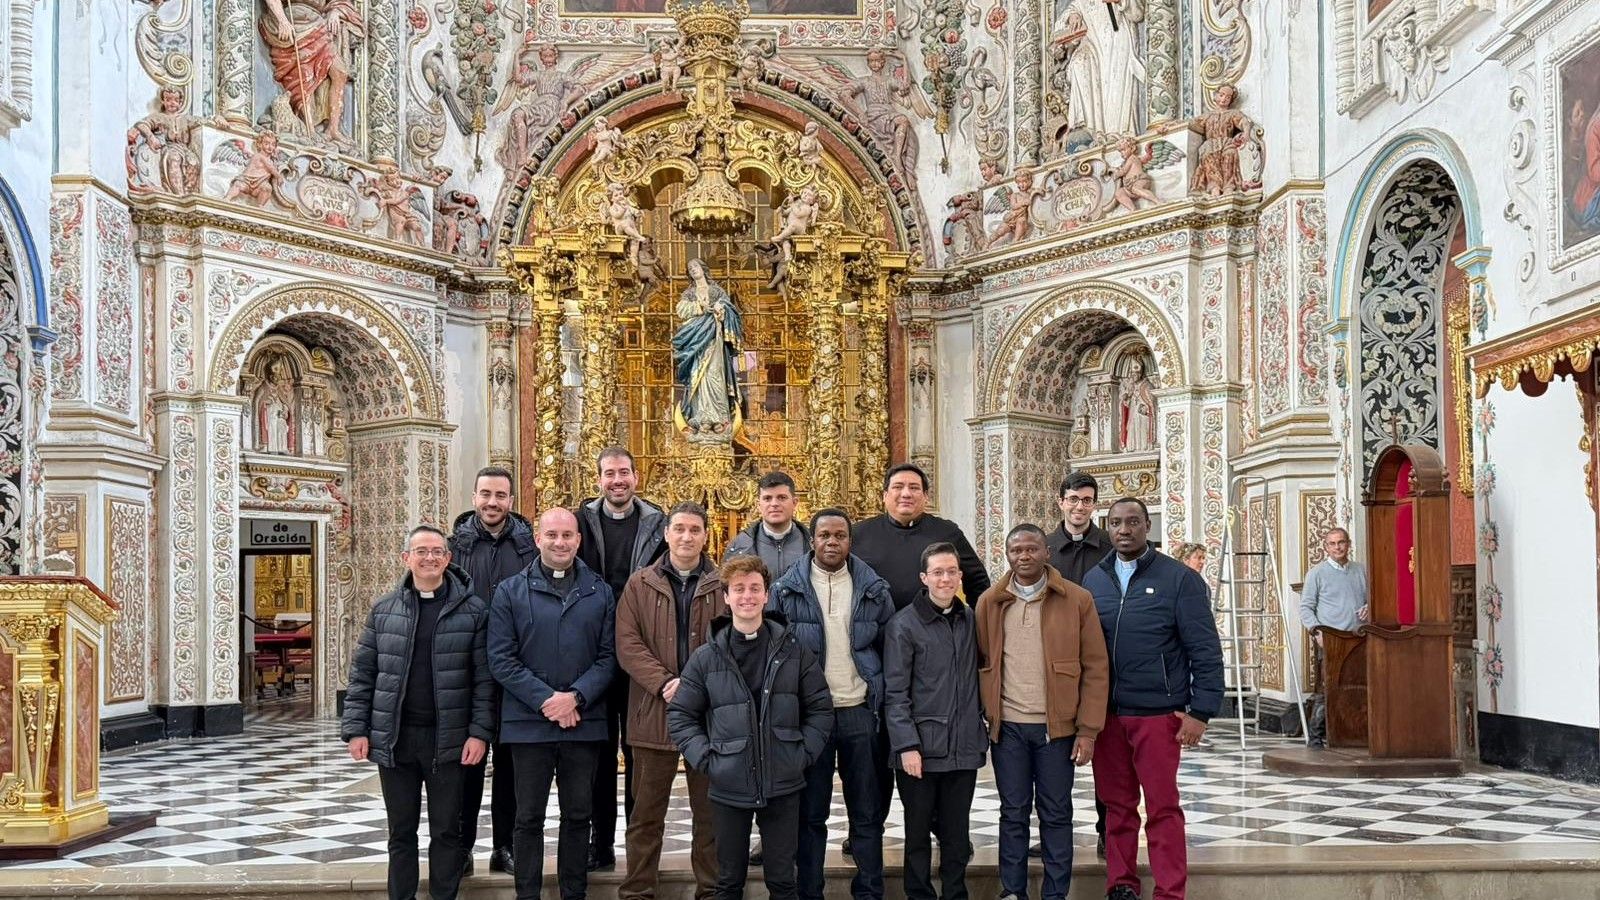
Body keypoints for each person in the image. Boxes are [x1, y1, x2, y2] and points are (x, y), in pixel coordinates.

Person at [668, 555, 835, 900]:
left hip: (783, 782)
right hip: (729, 784)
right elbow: (682, 716)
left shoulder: (793, 651)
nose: (747, 596)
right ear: (726, 597)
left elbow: (820, 708)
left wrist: (801, 754)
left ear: (766, 595)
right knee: (728, 881)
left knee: (782, 880)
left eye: (754, 588)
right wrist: (709, 759)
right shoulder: (706, 657)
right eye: (738, 589)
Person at [1082, 499, 1224, 900]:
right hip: (1108, 716)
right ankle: (1121, 885)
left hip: (1159, 714)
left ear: (1147, 525)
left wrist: (1202, 711)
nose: (1123, 530)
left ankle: (1169, 890)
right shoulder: (1094, 580)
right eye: (1114, 523)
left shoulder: (1180, 579)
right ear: (1106, 528)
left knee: (1162, 807)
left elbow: (1205, 650)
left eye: (1132, 522)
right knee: (1116, 807)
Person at [342, 525, 493, 900]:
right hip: (396, 739)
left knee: (446, 831)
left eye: (437, 551)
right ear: (406, 558)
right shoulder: (383, 610)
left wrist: (479, 733)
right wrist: (356, 729)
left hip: (450, 739)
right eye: (421, 551)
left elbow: (484, 680)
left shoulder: (472, 610)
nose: (429, 558)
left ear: (448, 558)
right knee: (401, 831)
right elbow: (363, 674)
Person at [488, 508, 618, 900]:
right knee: (527, 817)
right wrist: (548, 700)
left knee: (579, 815)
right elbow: (501, 658)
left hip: (584, 721)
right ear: (538, 539)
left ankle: (573, 893)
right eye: (552, 535)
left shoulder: (600, 591)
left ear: (578, 540)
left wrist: (576, 697)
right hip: (528, 726)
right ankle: (527, 894)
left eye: (567, 535)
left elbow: (609, 657)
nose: (560, 542)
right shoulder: (510, 591)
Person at [976, 525, 1109, 900]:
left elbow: (1096, 666)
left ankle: (1055, 893)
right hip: (1010, 730)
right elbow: (984, 660)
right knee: (1012, 813)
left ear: (1047, 552)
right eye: (1016, 550)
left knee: (1056, 814)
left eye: (1032, 549)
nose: (1024, 556)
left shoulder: (1077, 600)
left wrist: (1088, 730)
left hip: (1058, 731)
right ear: (1007, 555)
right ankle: (1012, 891)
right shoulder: (990, 601)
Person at [770, 509, 894, 900]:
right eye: (824, 535)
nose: (831, 542)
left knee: (867, 813)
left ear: (850, 541)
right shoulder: (786, 589)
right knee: (811, 814)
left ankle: (870, 891)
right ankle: (810, 892)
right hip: (812, 717)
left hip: (859, 708)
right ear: (812, 540)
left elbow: (890, 646)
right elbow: (774, 651)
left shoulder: (874, 588)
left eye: (840, 535)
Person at [616, 502, 727, 900]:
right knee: (646, 813)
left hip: (709, 716)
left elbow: (729, 644)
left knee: (710, 813)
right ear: (666, 533)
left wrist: (696, 688)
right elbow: (627, 644)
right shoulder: (640, 584)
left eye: (694, 530)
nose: (686, 536)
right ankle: (638, 890)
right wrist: (665, 682)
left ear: (705, 536)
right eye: (678, 528)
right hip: (652, 709)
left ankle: (712, 889)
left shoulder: (722, 584)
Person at [576, 446, 666, 871]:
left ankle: (638, 843)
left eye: (625, 472)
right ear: (598, 479)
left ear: (635, 476)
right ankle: (599, 842)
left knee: (638, 751)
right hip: (593, 651)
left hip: (640, 650)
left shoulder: (657, 523)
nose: (618, 480)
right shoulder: (581, 522)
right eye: (610, 473)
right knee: (597, 752)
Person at [884, 543, 987, 900]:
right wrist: (906, 745)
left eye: (951, 572)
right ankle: (919, 894)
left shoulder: (971, 619)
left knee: (957, 834)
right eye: (938, 572)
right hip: (921, 750)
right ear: (924, 578)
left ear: (961, 576)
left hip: (963, 745)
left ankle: (955, 894)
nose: (946, 579)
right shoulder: (903, 625)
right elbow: (895, 692)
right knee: (916, 833)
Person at [450, 466, 536, 877]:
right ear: (474, 497)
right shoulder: (456, 546)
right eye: (485, 494)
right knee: (467, 762)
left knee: (511, 765)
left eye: (500, 495)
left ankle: (505, 846)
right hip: (468, 669)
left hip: (515, 670)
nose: (492, 503)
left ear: (511, 502)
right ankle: (462, 847)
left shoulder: (529, 547)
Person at [852, 463, 990, 611]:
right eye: (898, 487)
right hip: (877, 630)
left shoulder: (947, 532)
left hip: (934, 628)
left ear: (926, 497)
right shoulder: (859, 533)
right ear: (885, 496)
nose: (906, 494)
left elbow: (978, 583)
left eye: (914, 487)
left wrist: (981, 625)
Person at [1298, 527, 1370, 748]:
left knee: (1357, 686)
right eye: (1333, 543)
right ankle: (1316, 736)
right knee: (1327, 688)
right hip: (1330, 640)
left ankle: (1352, 732)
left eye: (1341, 542)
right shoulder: (1316, 574)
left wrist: (1370, 607)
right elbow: (1306, 608)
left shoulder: (1361, 570)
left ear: (1349, 544)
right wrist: (1316, 631)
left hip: (1358, 639)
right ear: (1326, 547)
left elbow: (1372, 598)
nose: (1338, 547)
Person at [724, 471, 810, 580]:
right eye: (767, 498)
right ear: (758, 505)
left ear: (795, 502)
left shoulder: (812, 544)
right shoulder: (740, 547)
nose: (774, 504)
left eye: (782, 498)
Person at [1047, 471, 1112, 587]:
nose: (1080, 507)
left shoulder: (1111, 546)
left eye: (1087, 500)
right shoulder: (1044, 547)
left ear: (1094, 504)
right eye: (1073, 499)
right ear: (1061, 503)